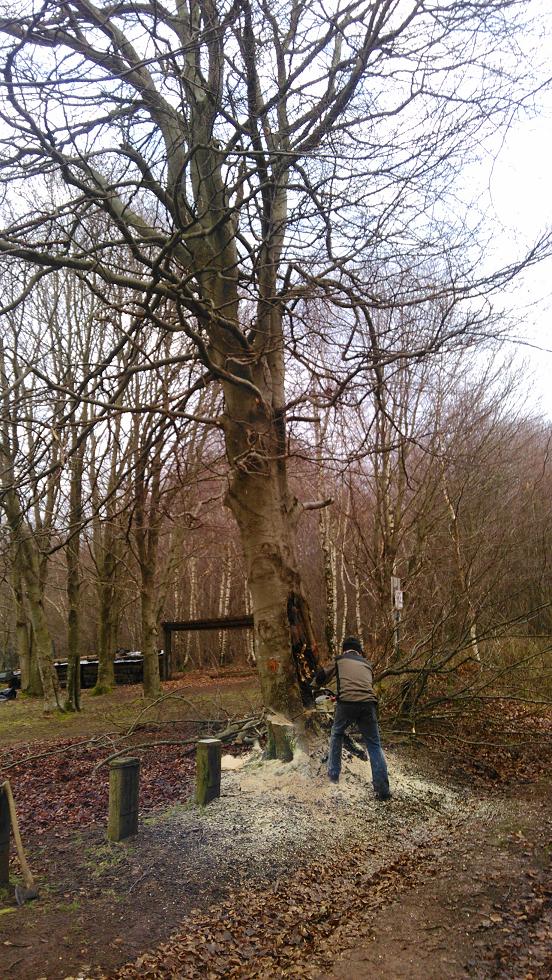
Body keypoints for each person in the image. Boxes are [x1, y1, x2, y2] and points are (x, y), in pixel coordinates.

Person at [314, 635, 391, 800]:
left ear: (344, 649)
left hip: (347, 703)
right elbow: (361, 686)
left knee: (337, 733)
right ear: (359, 651)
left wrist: (316, 682)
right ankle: (383, 790)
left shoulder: (339, 660)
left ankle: (333, 776)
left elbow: (321, 677)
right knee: (374, 744)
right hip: (369, 704)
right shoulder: (367, 664)